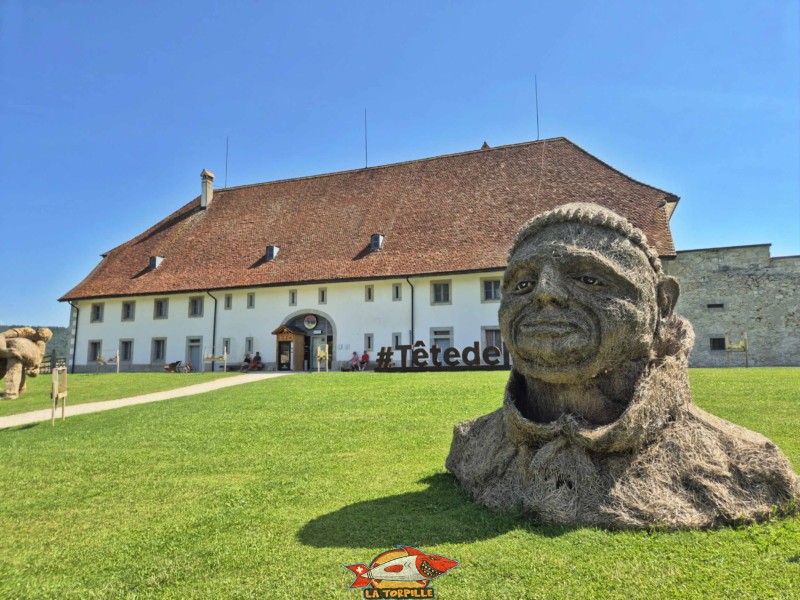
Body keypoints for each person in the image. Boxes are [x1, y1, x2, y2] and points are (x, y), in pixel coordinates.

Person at [446, 203, 798, 529]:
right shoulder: (474, 443)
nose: (544, 292)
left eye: (589, 279)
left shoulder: (744, 465)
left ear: (661, 304)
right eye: (523, 284)